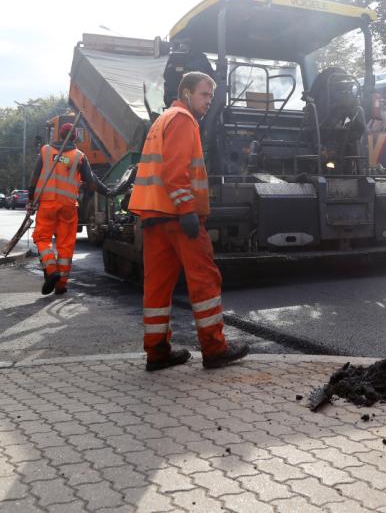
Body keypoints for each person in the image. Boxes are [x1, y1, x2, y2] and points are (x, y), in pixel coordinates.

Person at [128, 71, 249, 372]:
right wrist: (187, 210)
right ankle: (214, 348)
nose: (209, 101)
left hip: (155, 218)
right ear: (186, 94)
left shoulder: (162, 120)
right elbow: (174, 171)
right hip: (178, 218)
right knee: (204, 280)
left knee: (157, 288)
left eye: (210, 95)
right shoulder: (183, 120)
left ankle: (157, 353)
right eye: (204, 95)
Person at [27, 121, 112, 295]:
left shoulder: (46, 151)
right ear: (75, 138)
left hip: (47, 204)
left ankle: (51, 271)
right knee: (66, 245)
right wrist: (109, 192)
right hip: (68, 206)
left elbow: (33, 180)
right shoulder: (79, 156)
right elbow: (92, 183)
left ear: (60, 135)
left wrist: (30, 200)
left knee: (42, 238)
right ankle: (61, 285)